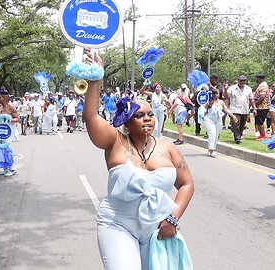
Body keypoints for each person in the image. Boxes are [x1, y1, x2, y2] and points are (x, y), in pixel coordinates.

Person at [83, 52, 194, 270]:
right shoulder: (114, 141)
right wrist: (95, 78)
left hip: (157, 228)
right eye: (139, 115)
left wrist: (172, 219)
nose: (147, 119)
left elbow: (186, 184)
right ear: (126, 120)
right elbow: (91, 117)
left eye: (150, 114)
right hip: (117, 224)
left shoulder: (168, 148)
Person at [202, 89, 237, 157]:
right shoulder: (209, 102)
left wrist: (233, 116)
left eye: (218, 93)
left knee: (216, 135)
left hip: (218, 120)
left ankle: (210, 149)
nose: (217, 95)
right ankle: (212, 150)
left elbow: (226, 110)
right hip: (209, 119)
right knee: (212, 134)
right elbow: (204, 110)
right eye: (215, 93)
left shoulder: (221, 102)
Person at [224, 75, 257, 144]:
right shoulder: (232, 88)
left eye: (243, 81)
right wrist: (225, 89)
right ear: (238, 81)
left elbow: (251, 99)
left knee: (242, 124)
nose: (242, 82)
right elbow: (226, 96)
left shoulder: (248, 89)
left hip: (244, 109)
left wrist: (254, 108)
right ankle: (237, 138)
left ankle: (239, 134)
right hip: (234, 109)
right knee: (236, 123)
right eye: (241, 81)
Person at [253, 74, 270, 140]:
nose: (255, 79)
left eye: (256, 78)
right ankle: (261, 135)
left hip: (263, 106)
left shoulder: (263, 85)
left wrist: (255, 104)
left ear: (259, 78)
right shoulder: (261, 85)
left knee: (260, 122)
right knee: (258, 121)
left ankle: (263, 136)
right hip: (260, 106)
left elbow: (262, 97)